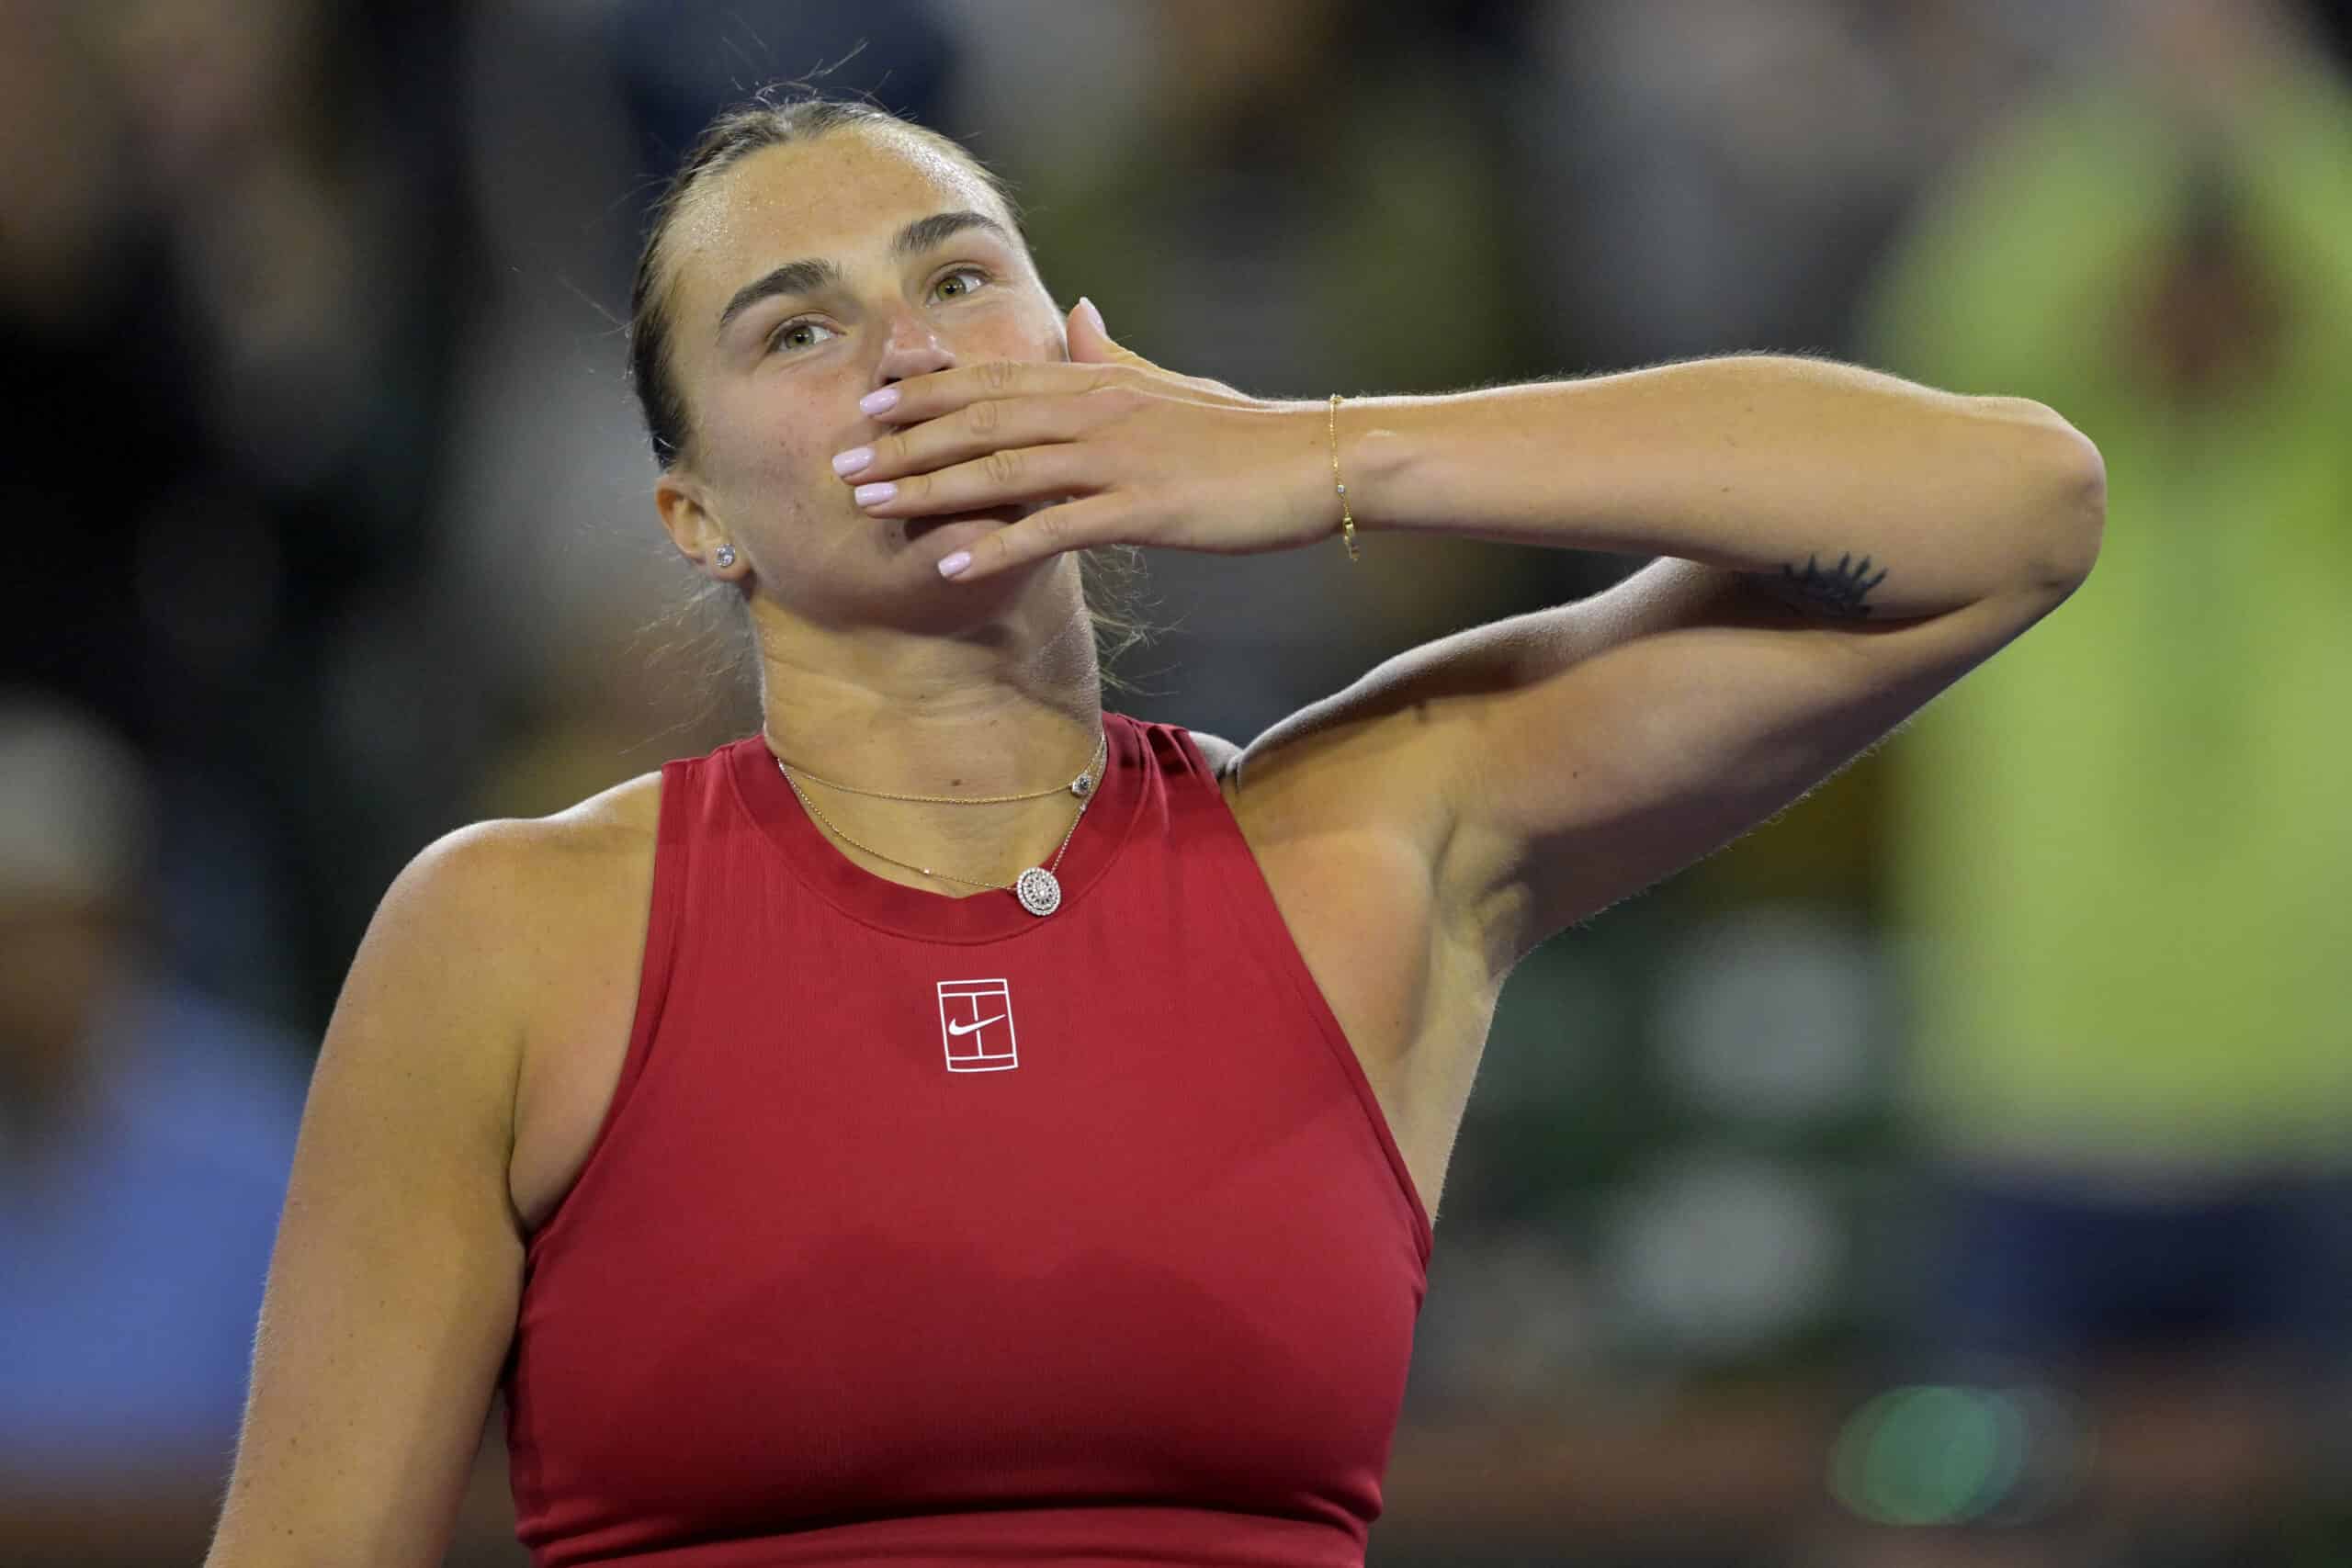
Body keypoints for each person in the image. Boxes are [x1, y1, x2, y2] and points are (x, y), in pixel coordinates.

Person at [200, 92, 2105, 1568]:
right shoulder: (512, 931)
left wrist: (1324, 453)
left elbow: (2012, 504)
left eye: (957, 277)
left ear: (1077, 344)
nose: (906, 350)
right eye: (798, 324)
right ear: (694, 515)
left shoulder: (1353, 840)